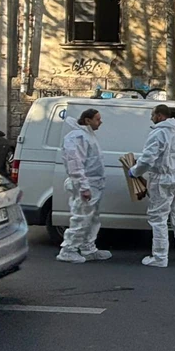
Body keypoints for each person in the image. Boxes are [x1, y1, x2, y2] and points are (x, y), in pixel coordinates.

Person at [129, 104, 175, 267]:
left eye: (152, 115)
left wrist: (135, 171)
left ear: (159, 115)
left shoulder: (158, 133)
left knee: (158, 218)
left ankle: (160, 257)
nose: (151, 118)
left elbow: (147, 159)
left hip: (163, 180)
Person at [56, 108, 112, 263]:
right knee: (81, 218)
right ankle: (68, 250)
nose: (100, 122)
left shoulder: (86, 135)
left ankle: (88, 248)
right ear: (87, 120)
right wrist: (84, 187)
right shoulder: (77, 137)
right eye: (97, 119)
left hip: (93, 184)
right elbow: (75, 163)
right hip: (86, 184)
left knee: (92, 218)